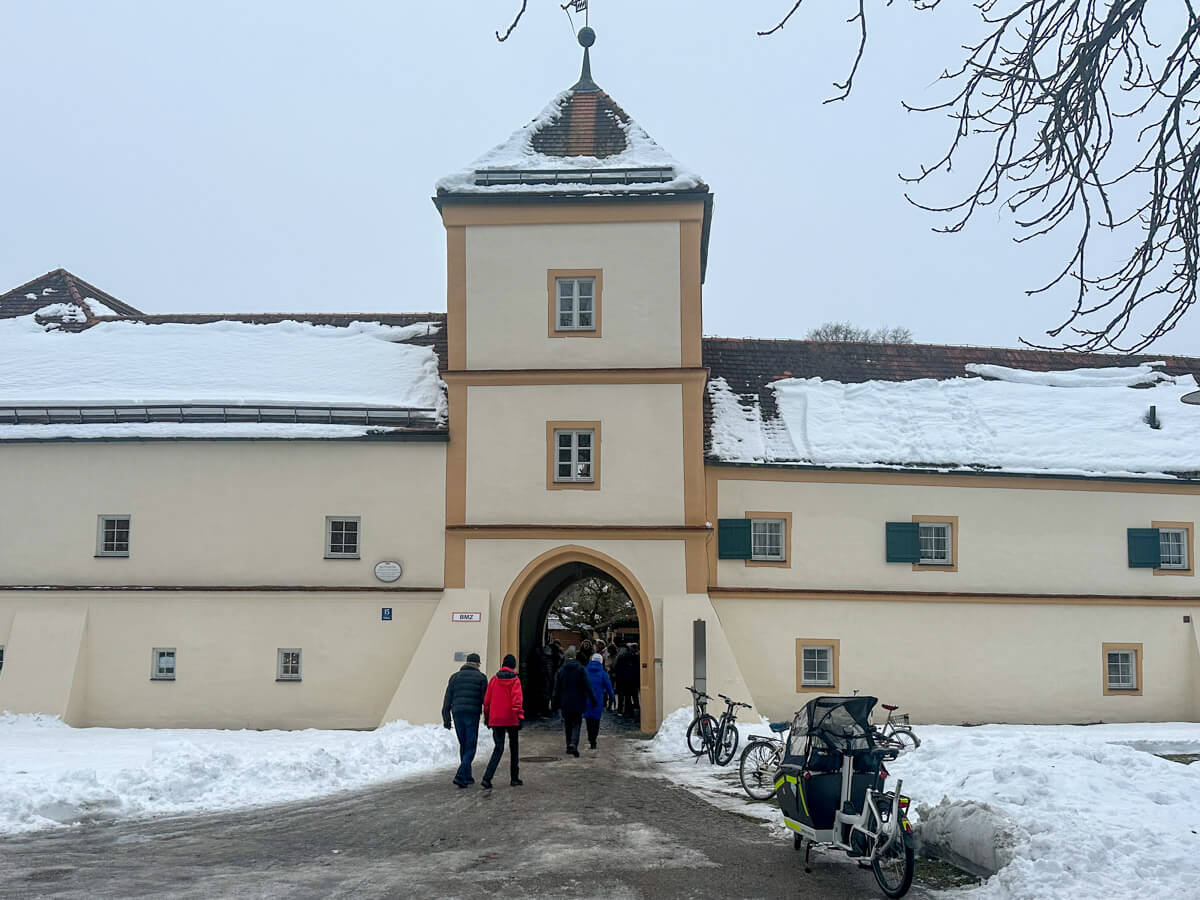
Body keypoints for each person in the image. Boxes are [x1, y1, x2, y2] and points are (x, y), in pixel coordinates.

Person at [441, 651, 488, 788]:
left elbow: (447, 699)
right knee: (471, 746)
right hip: (472, 714)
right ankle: (461, 775)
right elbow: (485, 700)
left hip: (457, 713)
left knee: (463, 744)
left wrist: (446, 718)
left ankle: (467, 776)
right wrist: (488, 717)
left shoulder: (454, 677)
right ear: (478, 663)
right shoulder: (481, 678)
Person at [481, 653, 524, 789]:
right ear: (513, 665)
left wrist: (487, 717)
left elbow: (487, 701)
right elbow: (517, 700)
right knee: (514, 748)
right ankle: (514, 778)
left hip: (496, 718)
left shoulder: (494, 680)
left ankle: (487, 778)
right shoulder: (515, 680)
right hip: (511, 718)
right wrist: (519, 716)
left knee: (498, 748)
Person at [552, 646, 596, 757]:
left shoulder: (561, 671)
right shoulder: (581, 669)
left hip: (565, 702)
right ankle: (573, 743)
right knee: (577, 724)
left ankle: (568, 746)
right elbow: (588, 686)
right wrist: (593, 699)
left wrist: (554, 703)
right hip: (579, 701)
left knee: (567, 725)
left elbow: (557, 689)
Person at [583, 653, 614, 749]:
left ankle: (590, 737)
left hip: (586, 699)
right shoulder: (602, 673)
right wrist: (612, 697)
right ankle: (593, 740)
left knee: (588, 720)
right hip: (598, 699)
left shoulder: (585, 671)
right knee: (596, 720)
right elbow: (608, 686)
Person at [615, 642, 640, 719]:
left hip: (622, 680)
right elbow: (637, 668)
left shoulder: (620, 657)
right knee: (630, 696)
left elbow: (616, 669)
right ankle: (630, 711)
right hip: (632, 680)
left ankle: (621, 711)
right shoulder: (634, 656)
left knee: (623, 696)